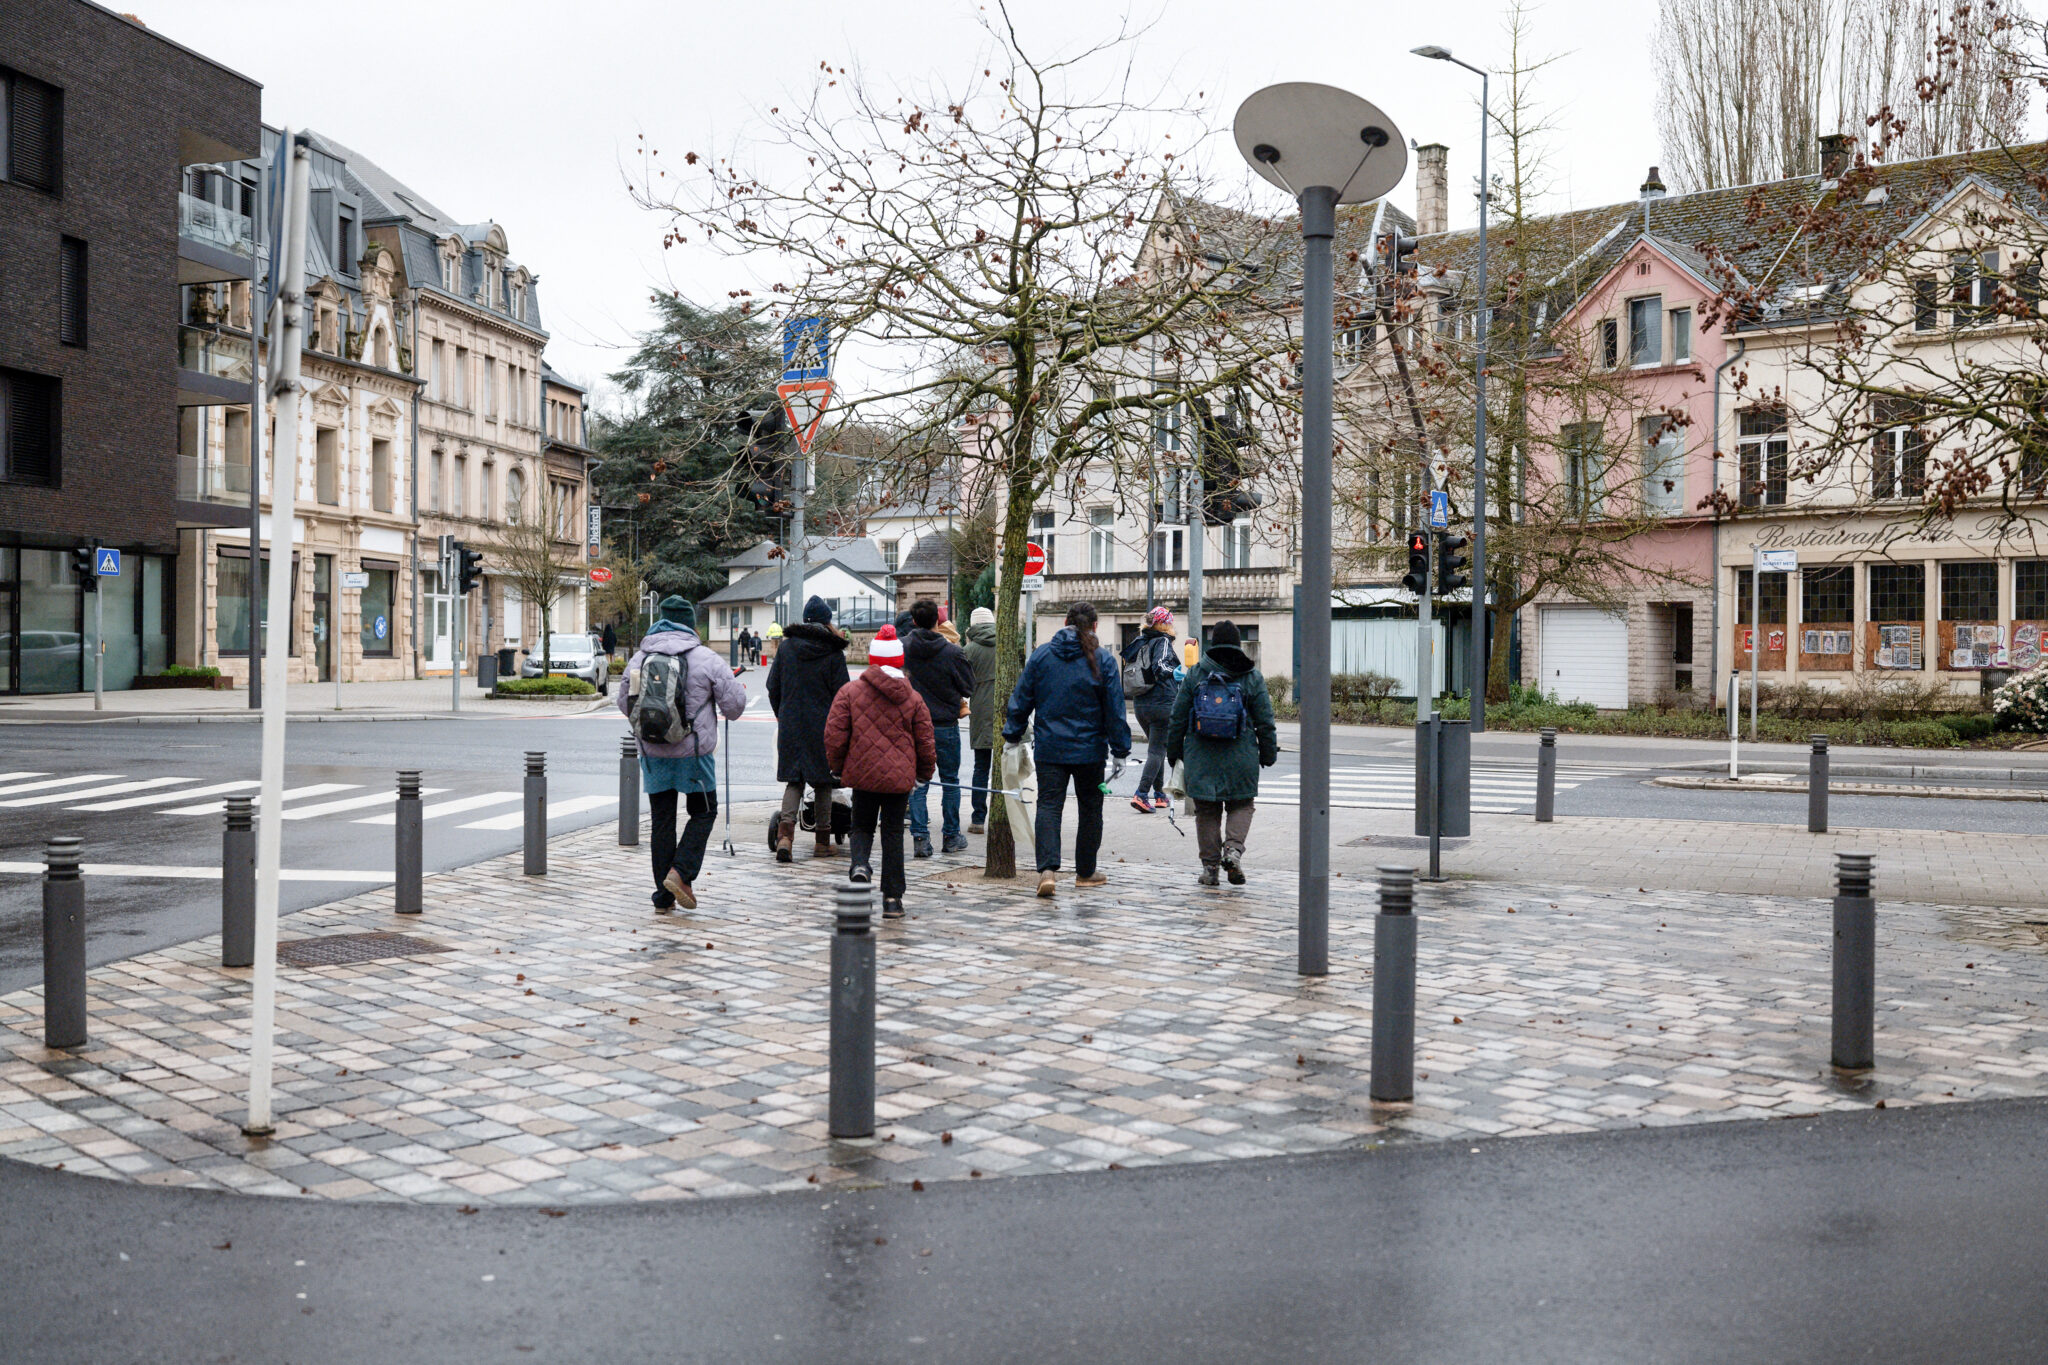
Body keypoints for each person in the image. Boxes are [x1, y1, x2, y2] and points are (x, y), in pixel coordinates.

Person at [617, 596, 747, 912]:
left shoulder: (639, 659)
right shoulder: (707, 658)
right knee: (704, 812)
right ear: (690, 624)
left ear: (660, 621)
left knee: (662, 821)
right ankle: (680, 872)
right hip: (694, 755)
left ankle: (663, 897)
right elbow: (734, 708)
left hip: (653, 752)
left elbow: (623, 702)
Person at [1002, 600, 1131, 899]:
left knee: (1049, 806)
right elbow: (1115, 709)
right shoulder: (1102, 659)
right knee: (1090, 808)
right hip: (1090, 750)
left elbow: (1022, 698)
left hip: (1051, 747)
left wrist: (1012, 734)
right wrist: (1120, 750)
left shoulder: (1042, 655)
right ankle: (1085, 872)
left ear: (1065, 622)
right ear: (1095, 626)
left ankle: (1047, 870)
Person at [825, 625, 935, 919]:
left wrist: (838, 767)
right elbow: (925, 740)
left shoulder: (850, 692)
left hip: (862, 775)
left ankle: (860, 865)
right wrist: (923, 774)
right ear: (899, 661)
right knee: (893, 833)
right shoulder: (913, 698)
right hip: (899, 780)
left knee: (861, 826)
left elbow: (834, 734)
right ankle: (893, 899)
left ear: (872, 659)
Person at [1165, 620, 1278, 888]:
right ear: (1238, 644)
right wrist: (1268, 753)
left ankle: (1210, 869)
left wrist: (1174, 753)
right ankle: (1233, 851)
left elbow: (1177, 718)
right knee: (1241, 804)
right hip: (1241, 755)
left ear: (1213, 643)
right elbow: (1265, 721)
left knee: (1206, 810)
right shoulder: (1251, 676)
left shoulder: (1196, 674)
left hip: (1201, 755)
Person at [767, 595, 852, 862]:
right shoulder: (833, 652)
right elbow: (843, 695)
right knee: (823, 782)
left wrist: (782, 714)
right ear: (827, 622)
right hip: (823, 726)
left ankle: (785, 838)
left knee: (794, 780)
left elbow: (772, 687)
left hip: (791, 723)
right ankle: (822, 842)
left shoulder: (786, 648)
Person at [902, 598, 975, 857]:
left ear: (914, 621)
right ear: (938, 620)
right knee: (950, 781)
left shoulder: (903, 648)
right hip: (945, 724)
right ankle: (951, 835)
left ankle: (920, 838)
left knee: (918, 782)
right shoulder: (952, 652)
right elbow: (968, 686)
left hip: (914, 725)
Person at [1121, 605, 1182, 813]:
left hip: (1140, 704)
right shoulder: (1162, 641)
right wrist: (1175, 672)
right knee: (1157, 751)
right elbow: (1161, 666)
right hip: (1162, 703)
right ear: (1165, 624)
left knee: (1157, 748)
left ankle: (1159, 795)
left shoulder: (1139, 642)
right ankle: (1141, 794)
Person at [961, 605, 999, 834]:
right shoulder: (1005, 643)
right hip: (1006, 710)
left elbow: (963, 684)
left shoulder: (969, 650)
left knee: (981, 766)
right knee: (1005, 768)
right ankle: (1003, 816)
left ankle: (978, 819)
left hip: (981, 711)